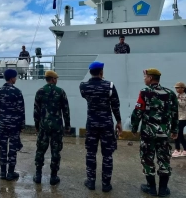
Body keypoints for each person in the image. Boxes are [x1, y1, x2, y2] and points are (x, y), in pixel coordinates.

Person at [131, 68, 178, 197]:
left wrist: (134, 128)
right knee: (164, 159)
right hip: (164, 134)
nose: (144, 79)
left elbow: (138, 111)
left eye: (145, 77)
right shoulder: (170, 93)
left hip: (148, 133)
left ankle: (151, 188)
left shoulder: (144, 92)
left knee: (147, 158)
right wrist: (174, 130)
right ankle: (163, 190)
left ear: (150, 78)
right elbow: (175, 114)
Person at [79, 61, 122, 192]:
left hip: (92, 124)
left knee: (91, 153)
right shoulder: (109, 86)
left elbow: (85, 95)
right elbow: (115, 105)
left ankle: (91, 182)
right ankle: (106, 184)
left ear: (90, 72)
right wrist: (119, 122)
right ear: (101, 72)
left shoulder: (84, 86)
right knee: (107, 154)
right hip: (107, 124)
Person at [33, 70, 70, 185]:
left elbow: (36, 110)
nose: (56, 80)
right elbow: (66, 110)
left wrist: (37, 125)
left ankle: (38, 175)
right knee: (55, 151)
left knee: (40, 150)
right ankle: (53, 177)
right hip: (57, 127)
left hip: (43, 126)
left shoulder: (40, 92)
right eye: (56, 78)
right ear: (53, 79)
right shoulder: (60, 92)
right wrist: (67, 126)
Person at [0, 69, 25, 181]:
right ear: (12, 78)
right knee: (12, 149)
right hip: (14, 124)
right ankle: (10, 173)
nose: (16, 79)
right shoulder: (17, 92)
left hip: (2, 123)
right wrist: (22, 125)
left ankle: (2, 172)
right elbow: (21, 110)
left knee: (2, 148)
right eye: (15, 77)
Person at [172, 82, 186, 157]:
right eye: (176, 88)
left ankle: (178, 149)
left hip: (183, 117)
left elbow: (182, 105)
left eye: (178, 88)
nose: (176, 89)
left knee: (178, 133)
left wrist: (176, 100)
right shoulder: (177, 95)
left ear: (183, 88)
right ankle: (179, 149)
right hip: (178, 117)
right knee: (177, 133)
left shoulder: (184, 96)